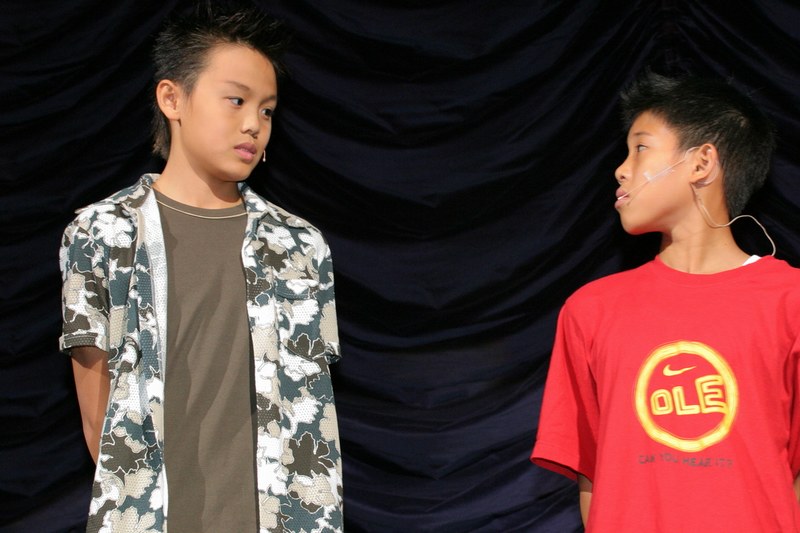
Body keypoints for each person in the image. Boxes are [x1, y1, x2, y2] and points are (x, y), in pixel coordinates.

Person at [59, 4, 343, 532]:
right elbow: (99, 421)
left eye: (267, 111)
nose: (253, 124)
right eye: (236, 100)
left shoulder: (300, 246)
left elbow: (312, 408)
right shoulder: (102, 235)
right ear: (172, 98)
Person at [531, 71, 800, 531]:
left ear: (701, 163)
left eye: (640, 148)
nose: (621, 170)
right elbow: (592, 475)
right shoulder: (591, 309)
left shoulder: (790, 300)